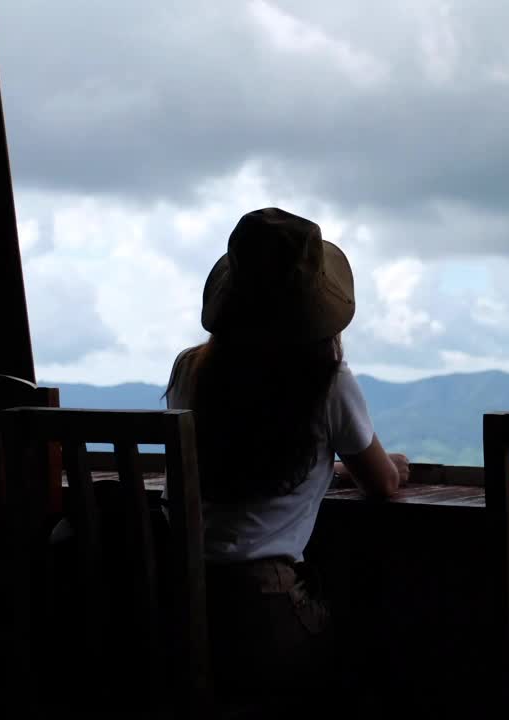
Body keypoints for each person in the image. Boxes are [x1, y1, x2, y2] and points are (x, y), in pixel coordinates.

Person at [163, 207, 409, 703]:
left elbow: (241, 453)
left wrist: (326, 470)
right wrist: (391, 467)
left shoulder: (192, 371)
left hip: (176, 610)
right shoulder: (326, 381)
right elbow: (382, 483)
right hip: (263, 614)